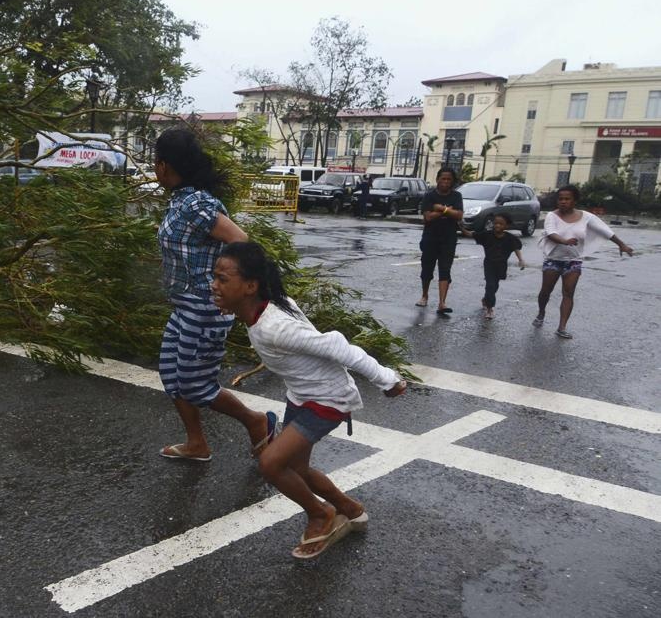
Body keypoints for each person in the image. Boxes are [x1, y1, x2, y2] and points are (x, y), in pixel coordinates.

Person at [211, 241, 407, 559]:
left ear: (250, 286)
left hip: (327, 399)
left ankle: (320, 514)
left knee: (271, 463)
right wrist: (230, 305)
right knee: (296, 471)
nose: (214, 284)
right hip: (303, 395)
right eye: (215, 277)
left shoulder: (276, 327)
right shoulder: (265, 307)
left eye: (222, 279)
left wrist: (388, 379)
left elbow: (337, 346)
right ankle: (350, 509)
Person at [154, 129, 278, 462]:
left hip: (205, 307)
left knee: (195, 385)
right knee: (171, 374)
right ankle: (197, 443)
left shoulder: (196, 203)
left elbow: (241, 240)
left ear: (164, 165)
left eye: (156, 161)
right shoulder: (182, 199)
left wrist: (231, 290)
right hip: (184, 305)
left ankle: (257, 422)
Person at [534, 185, 634, 338]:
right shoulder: (551, 216)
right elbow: (551, 233)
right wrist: (565, 241)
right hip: (553, 260)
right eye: (560, 199)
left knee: (568, 293)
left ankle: (562, 327)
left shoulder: (587, 217)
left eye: (567, 199)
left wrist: (622, 244)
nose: (563, 202)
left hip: (573, 261)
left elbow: (605, 231)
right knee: (545, 292)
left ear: (575, 201)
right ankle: (541, 313)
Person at [417, 167, 464, 314]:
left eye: (448, 179)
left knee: (445, 269)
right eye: (443, 178)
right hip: (430, 237)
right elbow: (428, 217)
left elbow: (459, 215)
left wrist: (441, 209)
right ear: (437, 179)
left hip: (449, 238)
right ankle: (424, 295)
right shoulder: (429, 196)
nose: (445, 182)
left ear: (452, 181)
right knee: (427, 268)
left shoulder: (457, 196)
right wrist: (448, 210)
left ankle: (442, 303)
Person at [474, 213, 525, 319]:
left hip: (501, 265)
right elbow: (472, 234)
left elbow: (516, 248)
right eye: (496, 223)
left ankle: (486, 299)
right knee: (490, 285)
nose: (497, 225)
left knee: (495, 285)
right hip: (489, 264)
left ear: (506, 226)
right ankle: (490, 308)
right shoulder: (487, 235)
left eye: (501, 224)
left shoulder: (510, 238)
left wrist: (521, 260)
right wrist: (460, 226)